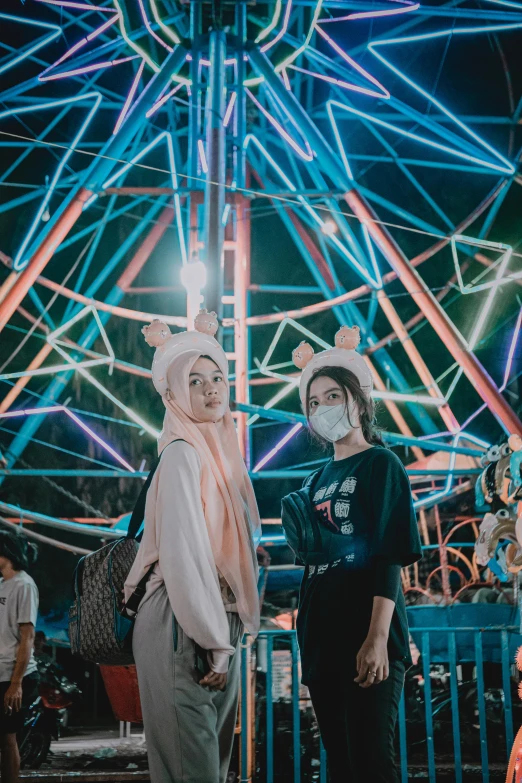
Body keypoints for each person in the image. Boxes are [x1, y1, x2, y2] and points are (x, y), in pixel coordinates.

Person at [124, 310, 261, 783]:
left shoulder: (219, 457)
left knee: (208, 764)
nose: (211, 391)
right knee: (193, 767)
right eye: (195, 381)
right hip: (183, 620)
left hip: (213, 619)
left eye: (218, 378)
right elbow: (185, 558)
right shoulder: (182, 455)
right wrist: (214, 642)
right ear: (172, 395)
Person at [281, 325, 422, 783]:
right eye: (314, 403)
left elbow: (389, 556)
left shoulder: (382, 465)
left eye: (332, 396)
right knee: (339, 765)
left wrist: (378, 638)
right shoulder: (314, 480)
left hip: (368, 639)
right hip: (322, 642)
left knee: (372, 762)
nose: (323, 409)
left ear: (358, 401)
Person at [0, 530, 39, 783]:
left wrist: (16, 684)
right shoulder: (3, 584)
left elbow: (27, 637)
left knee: (7, 739)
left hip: (13, 676)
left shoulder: (24, 585)